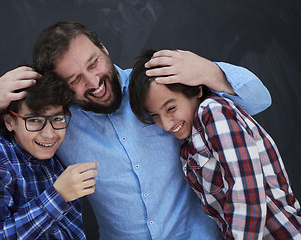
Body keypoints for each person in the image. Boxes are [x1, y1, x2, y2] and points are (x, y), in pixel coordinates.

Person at [0, 20, 272, 239]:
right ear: (59, 87)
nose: (93, 82)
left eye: (93, 63)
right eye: (75, 80)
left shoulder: (154, 85)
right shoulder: (59, 121)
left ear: (104, 48)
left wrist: (207, 70)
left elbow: (259, 98)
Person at [128, 49, 301, 239]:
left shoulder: (213, 112)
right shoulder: (188, 147)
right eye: (155, 116)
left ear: (197, 90)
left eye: (171, 108)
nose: (167, 124)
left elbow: (246, 196)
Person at [0, 70, 99, 239]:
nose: (49, 134)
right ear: (9, 122)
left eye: (57, 119)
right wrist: (58, 196)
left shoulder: (52, 158)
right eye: (34, 121)